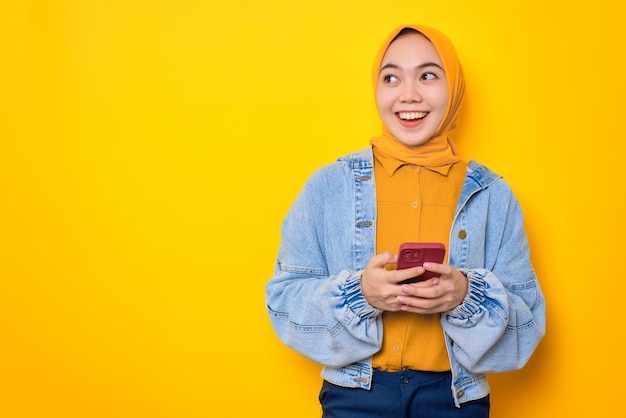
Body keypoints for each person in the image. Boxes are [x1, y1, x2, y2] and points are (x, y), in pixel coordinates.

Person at [265, 24, 545, 418]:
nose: (408, 94)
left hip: (454, 398)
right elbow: (283, 303)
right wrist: (361, 295)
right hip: (355, 397)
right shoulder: (328, 187)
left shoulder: (492, 195)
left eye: (428, 75)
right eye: (391, 77)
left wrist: (465, 295)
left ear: (455, 89)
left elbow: (527, 326)